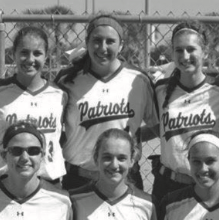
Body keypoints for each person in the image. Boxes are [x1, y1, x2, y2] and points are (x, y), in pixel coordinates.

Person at [55, 14, 158, 191]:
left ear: (121, 45)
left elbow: (157, 126)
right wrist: (74, 140)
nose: (103, 47)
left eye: (110, 41)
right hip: (79, 178)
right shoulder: (67, 80)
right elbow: (54, 129)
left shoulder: (138, 80)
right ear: (86, 42)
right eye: (97, 40)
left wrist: (133, 137)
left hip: (125, 179)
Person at [145, 21, 219, 202]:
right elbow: (158, 128)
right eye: (179, 50)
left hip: (210, 183)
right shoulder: (161, 90)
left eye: (191, 49)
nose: (185, 56)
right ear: (172, 53)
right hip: (168, 183)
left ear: (205, 52)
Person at [0, 26, 67, 185]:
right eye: (24, 52)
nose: (30, 59)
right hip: (5, 180)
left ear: (46, 56)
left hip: (48, 181)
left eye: (37, 53)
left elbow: (62, 138)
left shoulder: (60, 95)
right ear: (13, 54)